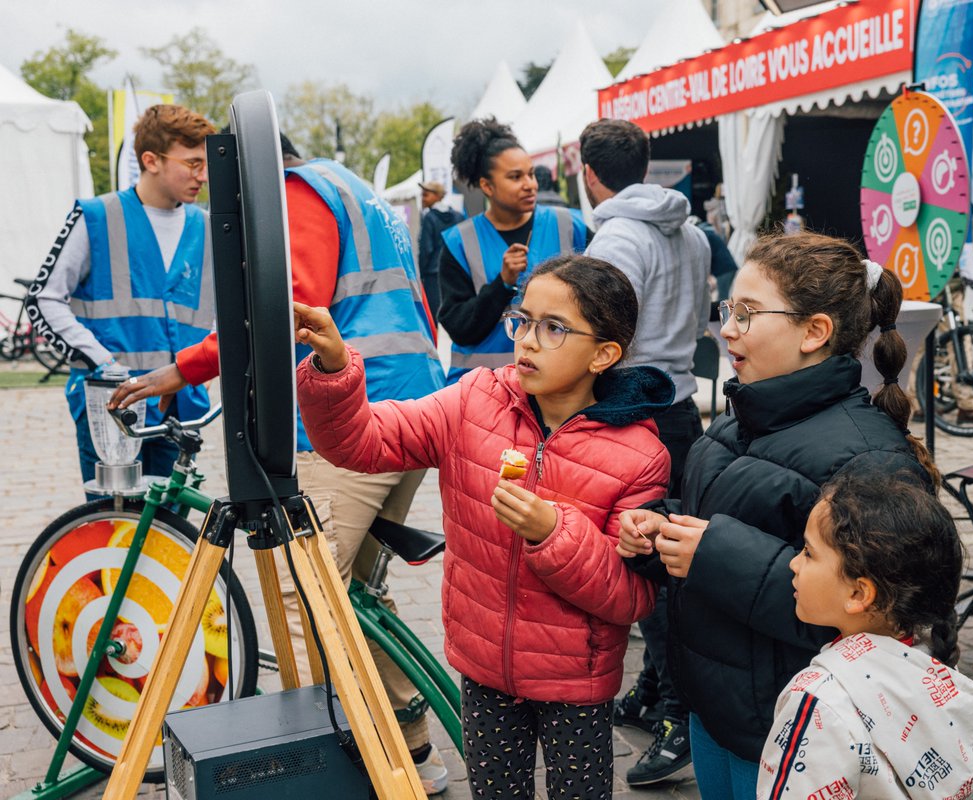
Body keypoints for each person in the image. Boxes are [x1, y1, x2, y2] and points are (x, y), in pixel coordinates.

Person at [108, 134, 450, 793]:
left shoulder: (298, 195)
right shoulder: (360, 194)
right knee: (357, 594)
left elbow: (285, 311)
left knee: (307, 590)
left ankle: (337, 767)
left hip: (353, 415)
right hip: (409, 403)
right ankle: (413, 750)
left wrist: (180, 371)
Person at [294, 254, 673, 800]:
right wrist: (333, 366)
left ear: (604, 354)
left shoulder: (639, 455)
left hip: (578, 684)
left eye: (554, 328)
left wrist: (553, 533)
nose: (528, 341)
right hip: (484, 670)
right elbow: (362, 442)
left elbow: (630, 600)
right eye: (523, 320)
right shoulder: (475, 400)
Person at [617, 231, 939, 800]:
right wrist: (658, 527)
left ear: (814, 332)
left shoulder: (867, 455)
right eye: (727, 309)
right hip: (715, 709)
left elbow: (873, 610)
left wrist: (710, 553)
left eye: (747, 312)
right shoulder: (734, 418)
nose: (728, 328)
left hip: (794, 732)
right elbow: (712, 518)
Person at [578, 117, 711, 785]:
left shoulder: (616, 237)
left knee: (653, 574)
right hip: (681, 408)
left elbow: (603, 332)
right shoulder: (689, 231)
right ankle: (657, 693)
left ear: (587, 169)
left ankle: (681, 718)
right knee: (667, 562)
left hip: (637, 412)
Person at [758, 469, 973, 799]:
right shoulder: (932, 662)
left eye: (808, 553)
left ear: (859, 594)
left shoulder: (818, 701)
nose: (794, 564)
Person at [26, 104, 216, 496]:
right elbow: (44, 299)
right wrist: (104, 365)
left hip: (180, 411)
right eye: (193, 163)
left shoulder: (212, 229)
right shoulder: (95, 216)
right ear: (151, 160)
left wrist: (196, 369)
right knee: (111, 534)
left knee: (168, 539)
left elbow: (223, 313)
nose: (204, 175)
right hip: (109, 408)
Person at [438, 117, 588, 384]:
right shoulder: (459, 242)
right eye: (515, 177)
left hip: (555, 389)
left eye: (530, 174)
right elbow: (460, 329)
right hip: (482, 392)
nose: (530, 184)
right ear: (487, 186)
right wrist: (502, 284)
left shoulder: (570, 226)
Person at [417, 180, 464, 316]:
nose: (422, 199)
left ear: (437, 196)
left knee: (434, 314)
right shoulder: (458, 216)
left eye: (426, 195)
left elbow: (426, 249)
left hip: (433, 274)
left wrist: (421, 273)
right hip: (456, 271)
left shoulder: (429, 218)